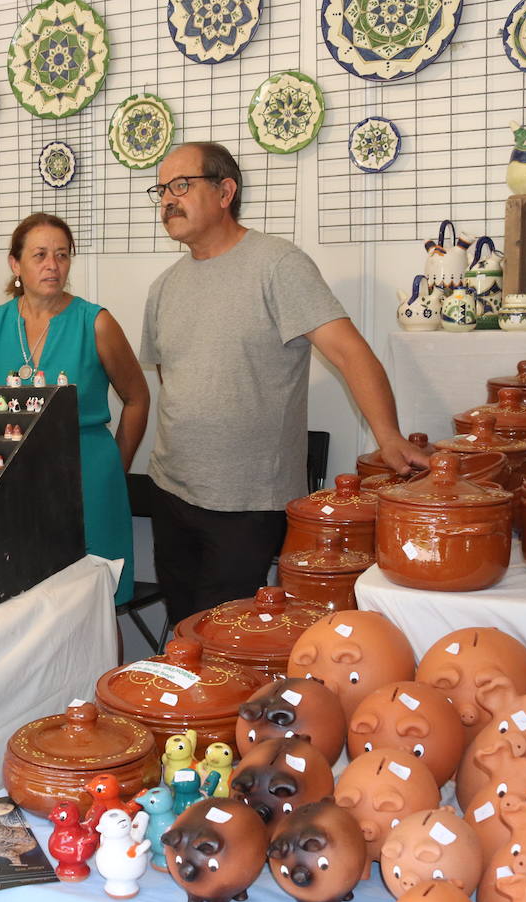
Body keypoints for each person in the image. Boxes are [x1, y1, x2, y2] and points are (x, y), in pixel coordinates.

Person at [140, 142, 429, 624]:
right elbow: (173, 377)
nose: (168, 199)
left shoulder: (277, 264)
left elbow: (348, 351)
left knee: (229, 640)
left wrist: (389, 436)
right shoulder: (164, 287)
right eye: (161, 189)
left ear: (225, 190)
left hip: (248, 499)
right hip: (171, 490)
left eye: (182, 185)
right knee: (184, 629)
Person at [0, 213, 149, 604]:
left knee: (97, 604)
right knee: (27, 601)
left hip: (88, 475)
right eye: (39, 255)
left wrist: (113, 467)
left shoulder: (96, 323)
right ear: (15, 263)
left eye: (61, 255)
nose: (52, 265)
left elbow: (138, 398)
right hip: (18, 483)